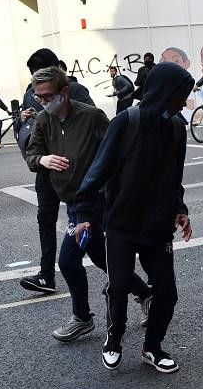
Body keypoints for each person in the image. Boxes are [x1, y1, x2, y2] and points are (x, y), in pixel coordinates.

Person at [73, 62, 194, 373]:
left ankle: (152, 347)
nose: (184, 102)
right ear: (165, 92)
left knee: (167, 293)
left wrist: (180, 209)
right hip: (121, 224)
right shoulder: (126, 122)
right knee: (119, 286)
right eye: (181, 95)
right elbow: (97, 171)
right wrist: (84, 214)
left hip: (158, 226)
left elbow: (174, 179)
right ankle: (114, 339)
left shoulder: (178, 129)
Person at [24, 66, 153, 341]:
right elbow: (32, 152)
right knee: (102, 258)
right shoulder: (44, 121)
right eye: (38, 97)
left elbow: (118, 152)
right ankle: (145, 294)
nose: (43, 102)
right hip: (71, 202)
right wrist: (42, 160)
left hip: (96, 202)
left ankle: (82, 317)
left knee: (68, 260)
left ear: (64, 92)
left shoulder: (91, 117)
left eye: (48, 96)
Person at [16, 48, 95, 295]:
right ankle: (46, 275)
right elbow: (30, 140)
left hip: (77, 170)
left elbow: (95, 125)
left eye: (40, 72)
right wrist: (23, 118)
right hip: (46, 165)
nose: (40, 97)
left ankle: (125, 281)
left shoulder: (76, 91)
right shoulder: (33, 92)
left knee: (93, 235)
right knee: (46, 219)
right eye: (32, 74)